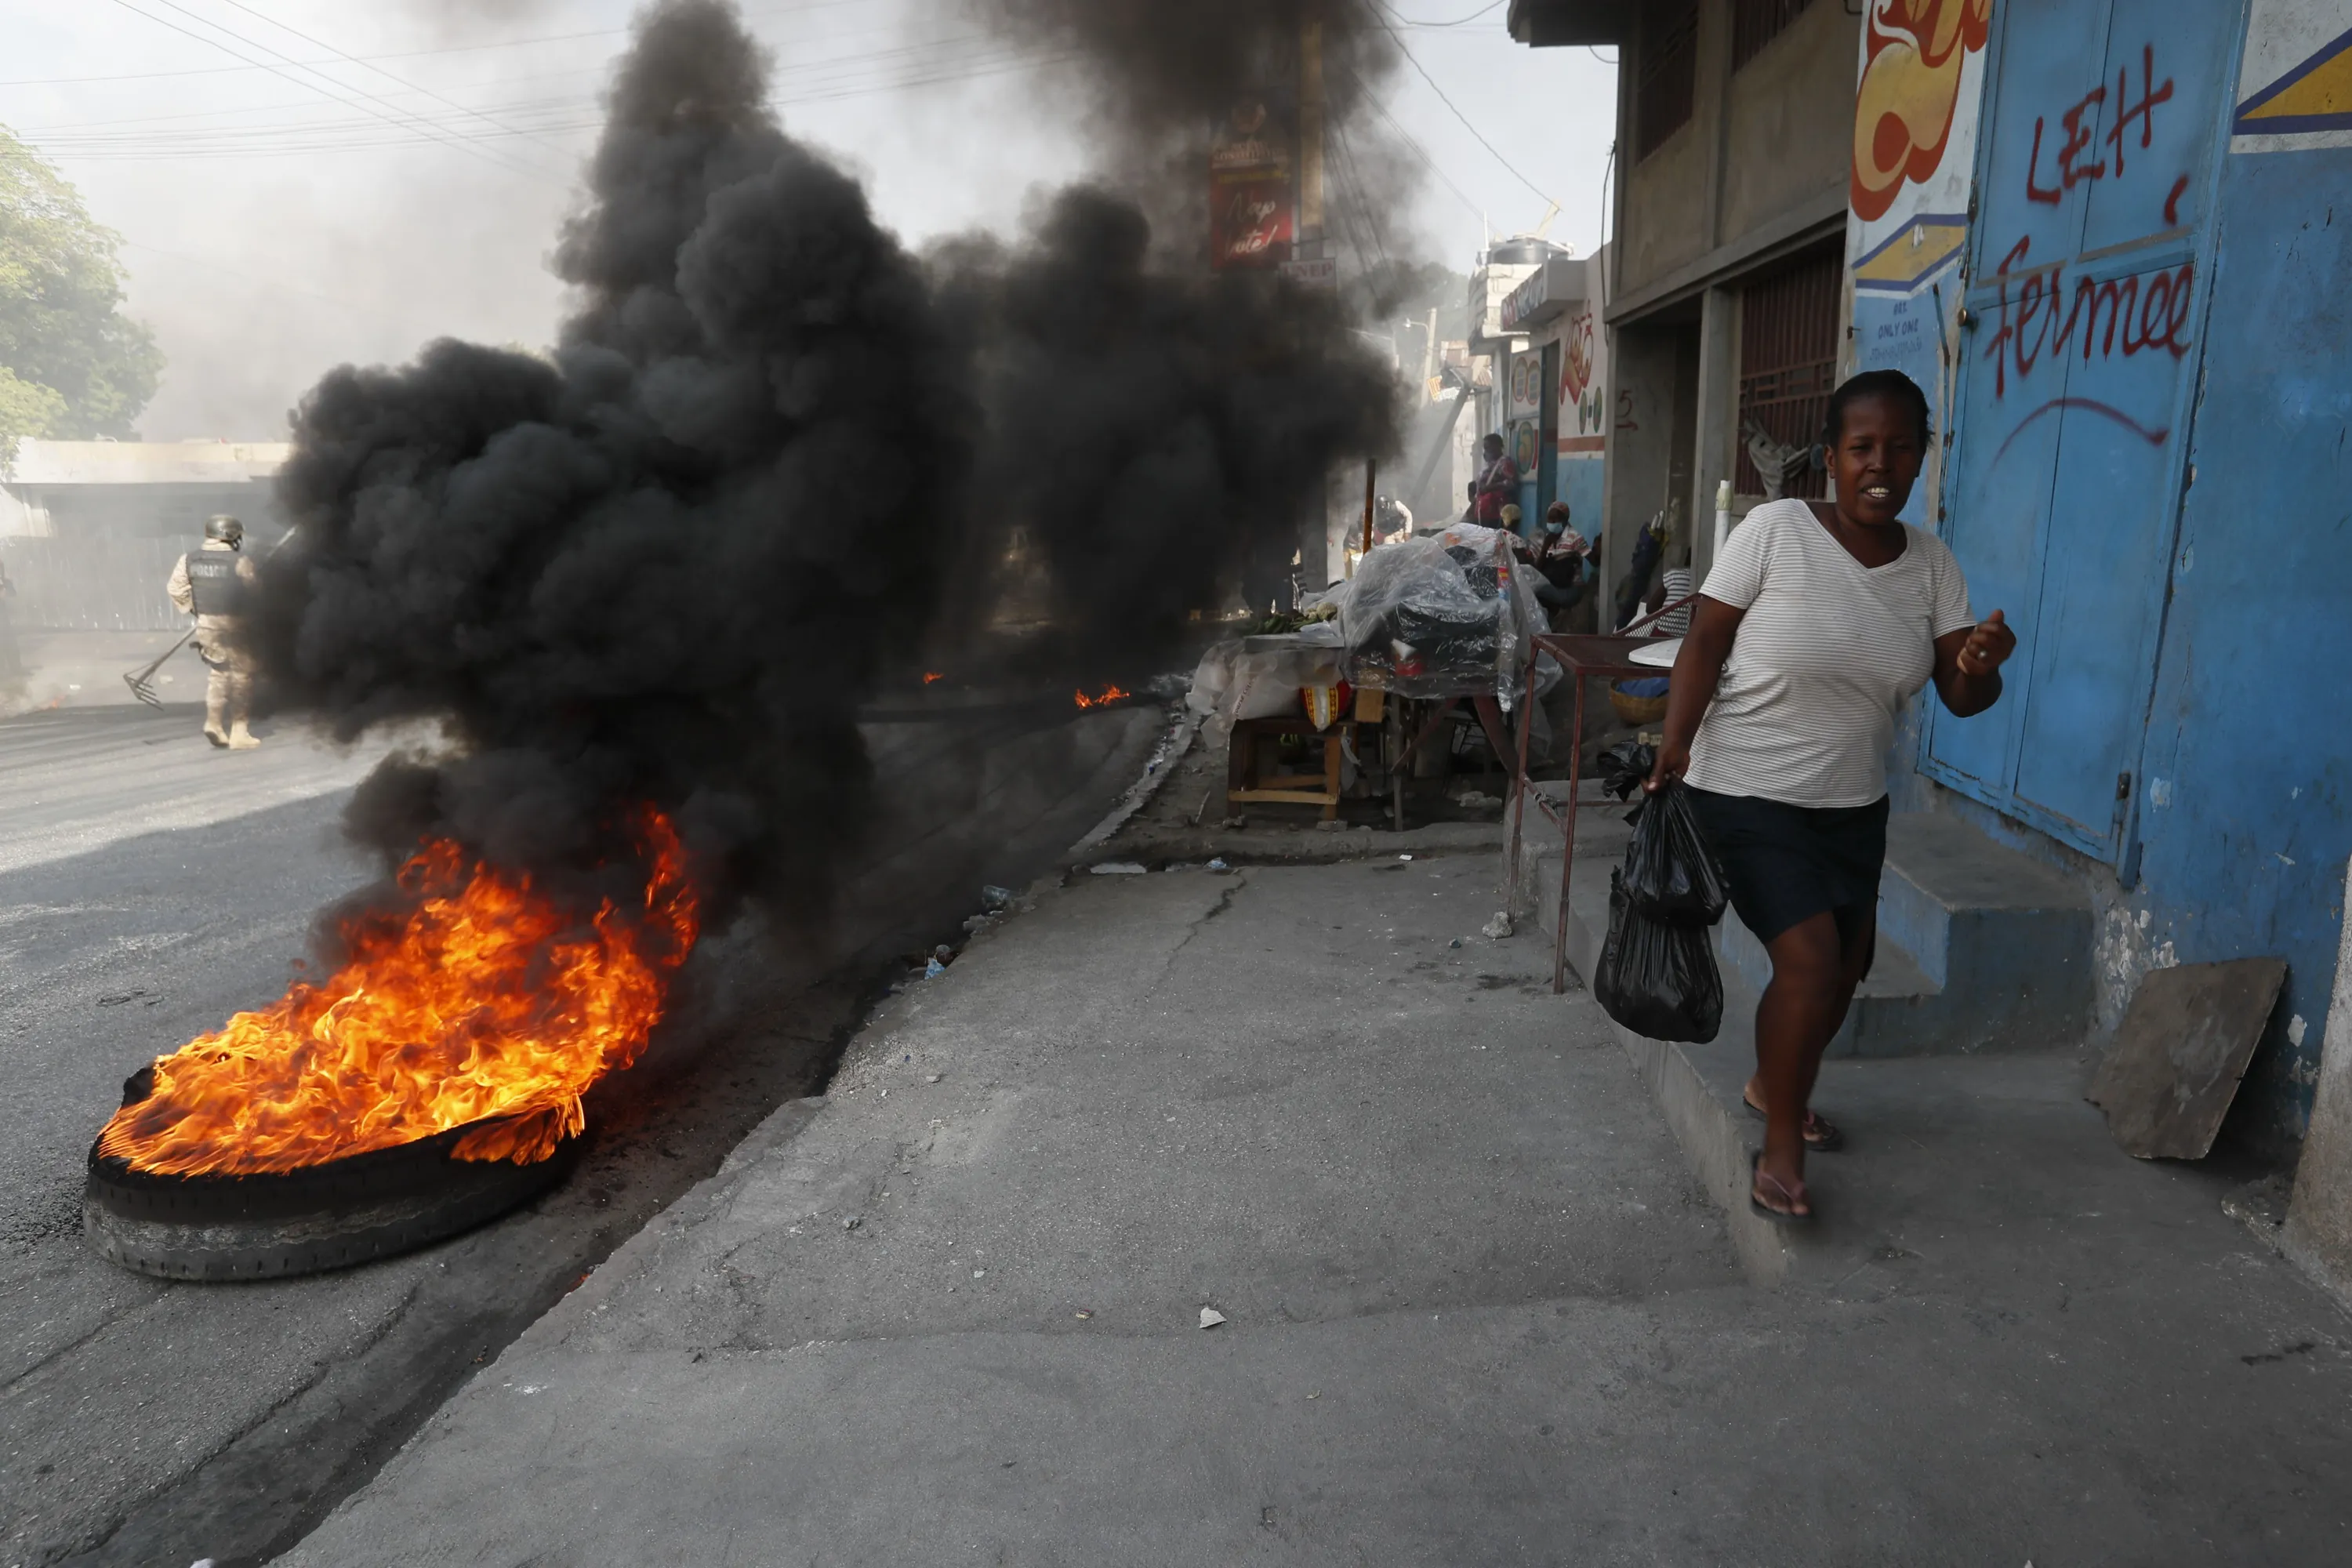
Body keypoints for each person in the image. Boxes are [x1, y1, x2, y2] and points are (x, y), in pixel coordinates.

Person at [1644, 369, 2016, 1222]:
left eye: (1899, 447)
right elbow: (1705, 636)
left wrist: (1980, 666)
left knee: (1845, 969)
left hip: (1850, 802)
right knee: (1808, 959)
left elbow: (1963, 698)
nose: (1879, 464)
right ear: (1831, 456)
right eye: (1861, 448)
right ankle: (1779, 1137)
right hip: (1745, 787)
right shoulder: (1775, 531)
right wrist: (1676, 739)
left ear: (1923, 456)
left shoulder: (1932, 565)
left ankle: (1770, 1079)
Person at [165, 514, 261, 749]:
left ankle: (214, 724)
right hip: (236, 626)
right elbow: (256, 591)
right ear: (230, 536)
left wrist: (195, 610)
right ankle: (239, 732)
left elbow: (175, 589)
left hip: (207, 625)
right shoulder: (240, 561)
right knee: (242, 677)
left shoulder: (189, 559)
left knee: (218, 674)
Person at [1468, 432, 1518, 526]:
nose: (1485, 451)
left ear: (1497, 446)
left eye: (1487, 447)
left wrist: (1490, 487)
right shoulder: (1490, 464)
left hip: (1495, 512)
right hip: (1483, 511)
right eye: (1485, 448)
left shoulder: (1504, 462)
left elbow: (1511, 483)